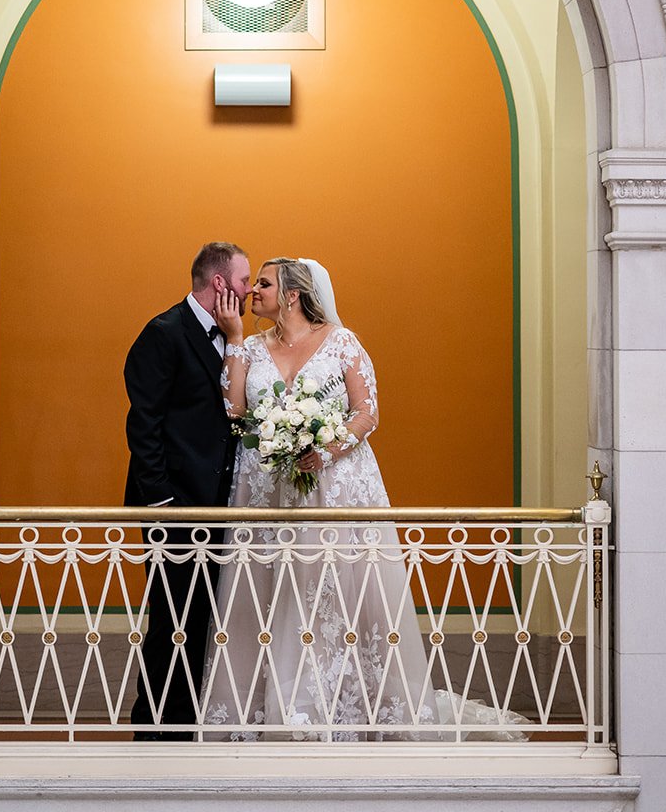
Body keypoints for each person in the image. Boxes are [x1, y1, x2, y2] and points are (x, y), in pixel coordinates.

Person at [205, 257, 526, 741]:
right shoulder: (249, 347)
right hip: (270, 490)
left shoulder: (341, 342)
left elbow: (367, 412)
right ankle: (275, 712)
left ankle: (339, 709)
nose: (254, 292)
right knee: (268, 596)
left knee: (331, 595)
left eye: (264, 284)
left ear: (292, 294)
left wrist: (324, 450)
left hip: (333, 488)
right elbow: (233, 409)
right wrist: (230, 339)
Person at [123, 240, 252, 737]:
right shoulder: (163, 333)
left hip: (221, 509)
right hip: (174, 509)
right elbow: (144, 425)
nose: (247, 290)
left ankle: (193, 723)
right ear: (219, 283)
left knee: (204, 619)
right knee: (172, 620)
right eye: (243, 281)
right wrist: (163, 504)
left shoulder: (232, 336)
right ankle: (155, 729)